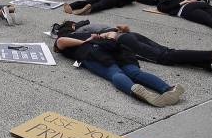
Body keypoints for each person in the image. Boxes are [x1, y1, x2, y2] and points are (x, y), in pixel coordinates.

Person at [56, 21, 212, 78]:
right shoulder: (86, 28)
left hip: (125, 42)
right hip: (131, 36)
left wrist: (112, 36)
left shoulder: (81, 32)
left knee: (164, 56)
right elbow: (118, 28)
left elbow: (110, 32)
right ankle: (211, 64)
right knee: (168, 53)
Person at [54, 28, 184, 106]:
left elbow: (60, 42)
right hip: (117, 50)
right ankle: (167, 89)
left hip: (94, 52)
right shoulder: (94, 33)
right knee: (135, 73)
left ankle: (134, 89)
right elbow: (113, 33)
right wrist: (100, 37)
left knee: (115, 73)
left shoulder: (71, 38)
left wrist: (85, 41)